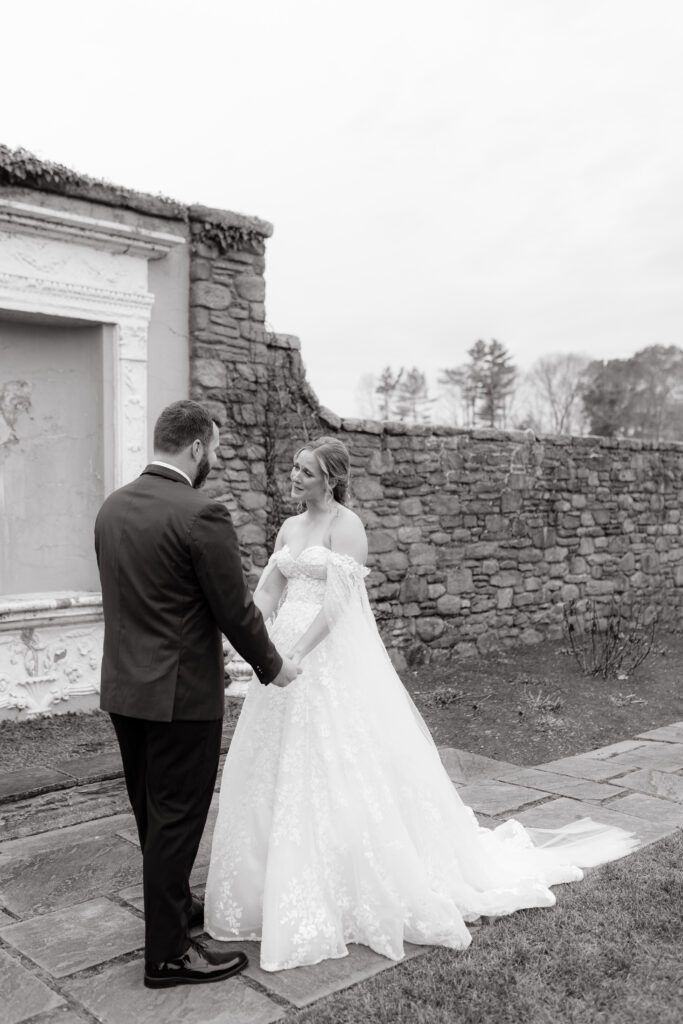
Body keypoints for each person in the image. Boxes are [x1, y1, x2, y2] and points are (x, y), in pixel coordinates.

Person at [205, 435, 638, 972]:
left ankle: (348, 878)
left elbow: (339, 606)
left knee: (336, 765)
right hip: (280, 667)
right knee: (275, 769)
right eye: (293, 468)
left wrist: (293, 654)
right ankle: (267, 881)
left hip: (323, 661)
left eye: (306, 472)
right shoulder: (289, 528)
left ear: (332, 479)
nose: (294, 478)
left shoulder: (349, 527)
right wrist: (251, 641)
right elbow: (269, 593)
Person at [94, 400, 300, 989]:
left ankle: (176, 909)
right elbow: (231, 606)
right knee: (178, 820)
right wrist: (272, 664)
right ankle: (167, 956)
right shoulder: (200, 511)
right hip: (181, 693)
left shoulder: (113, 507)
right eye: (215, 448)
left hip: (124, 688)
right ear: (195, 448)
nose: (215, 459)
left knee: (151, 815)